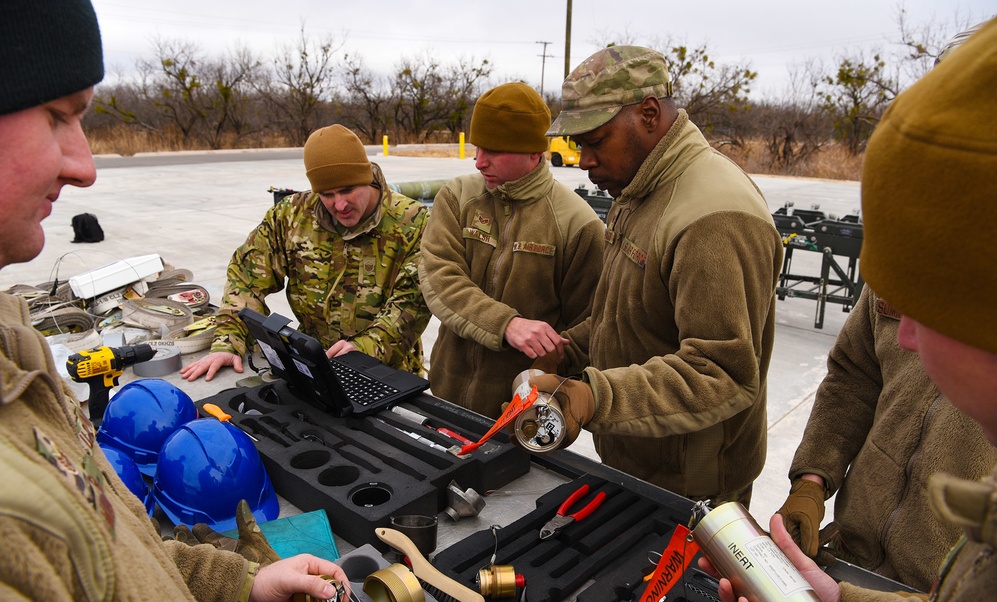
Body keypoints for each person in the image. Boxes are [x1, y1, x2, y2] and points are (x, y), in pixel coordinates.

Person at [0, 2, 349, 602]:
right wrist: (231, 335)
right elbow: (245, 275)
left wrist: (235, 586)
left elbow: (111, 559)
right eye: (56, 116)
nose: (85, 165)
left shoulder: (11, 346)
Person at [708, 18, 997, 602]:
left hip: (929, 583)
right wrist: (813, 480)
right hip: (857, 561)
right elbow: (852, 372)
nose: (913, 332)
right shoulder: (913, 250)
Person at [519, 46, 784, 506]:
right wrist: (563, 356)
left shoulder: (712, 218)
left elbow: (720, 372)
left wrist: (593, 399)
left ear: (648, 114)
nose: (583, 162)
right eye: (578, 145)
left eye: (596, 141)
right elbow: (625, 315)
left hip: (692, 488)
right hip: (640, 461)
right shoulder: (640, 188)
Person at [778, 285, 994, 591]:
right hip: (846, 556)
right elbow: (854, 374)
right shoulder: (906, 255)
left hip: (939, 598)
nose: (908, 337)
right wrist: (812, 480)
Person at [181, 124, 429, 382]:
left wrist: (363, 349)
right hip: (314, 367)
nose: (340, 205)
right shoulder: (291, 216)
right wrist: (228, 342)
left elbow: (412, 306)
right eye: (327, 194)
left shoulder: (413, 223)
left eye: (347, 190)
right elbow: (246, 280)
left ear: (366, 177)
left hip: (387, 370)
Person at [418, 82, 604, 418]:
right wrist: (505, 324)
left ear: (534, 152)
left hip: (522, 415)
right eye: (477, 147)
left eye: (493, 150)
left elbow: (592, 324)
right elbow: (439, 276)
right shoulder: (458, 197)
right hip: (443, 395)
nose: (478, 161)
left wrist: (541, 389)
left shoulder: (577, 224)